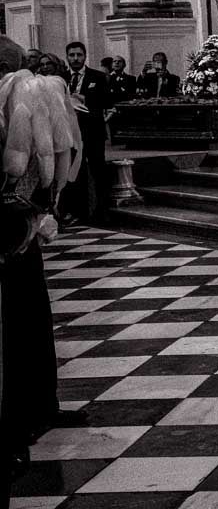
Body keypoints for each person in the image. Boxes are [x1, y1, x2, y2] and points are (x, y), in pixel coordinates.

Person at [1, 34, 86, 491]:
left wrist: (39, 209)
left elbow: (42, 155)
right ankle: (18, 417)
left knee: (32, 317)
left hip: (19, 233)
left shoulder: (29, 98)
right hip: (8, 233)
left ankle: (39, 406)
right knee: (13, 327)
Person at [61, 41, 110, 223]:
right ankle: (78, 212)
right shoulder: (62, 77)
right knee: (75, 173)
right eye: (72, 55)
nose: (75, 58)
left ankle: (102, 210)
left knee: (98, 171)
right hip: (70, 133)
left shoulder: (97, 77)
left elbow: (106, 101)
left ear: (85, 56)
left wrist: (85, 99)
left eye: (79, 55)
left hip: (93, 132)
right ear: (67, 57)